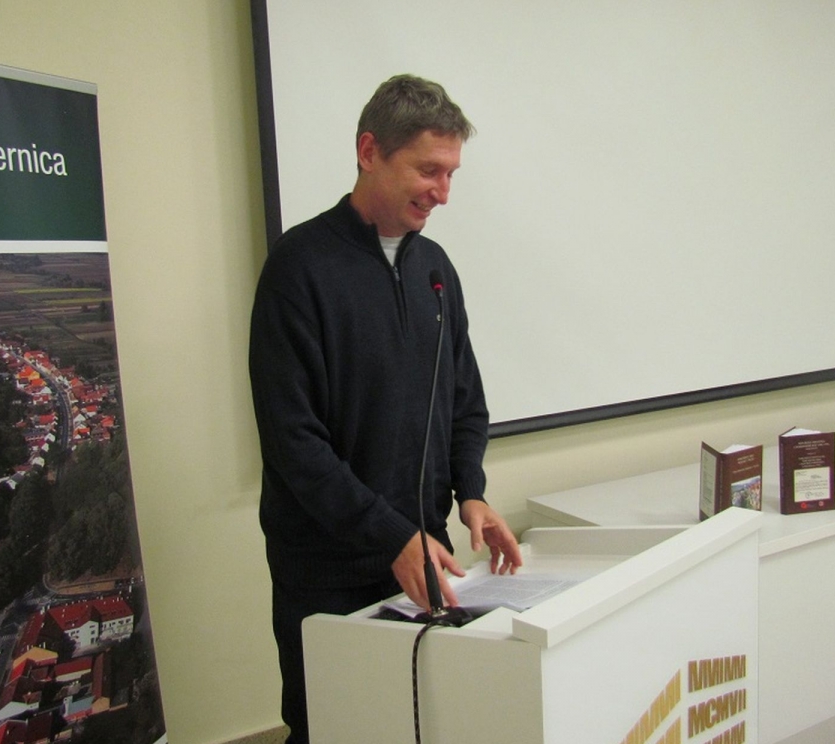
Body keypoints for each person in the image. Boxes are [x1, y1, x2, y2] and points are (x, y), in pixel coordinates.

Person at [248, 73, 523, 744]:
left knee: (421, 724)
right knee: (335, 727)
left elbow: (465, 401)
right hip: (329, 571)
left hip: (425, 556)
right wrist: (389, 536)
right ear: (369, 151)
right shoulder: (298, 268)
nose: (443, 192)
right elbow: (294, 442)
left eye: (451, 174)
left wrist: (472, 492)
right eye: (428, 170)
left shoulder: (435, 270)